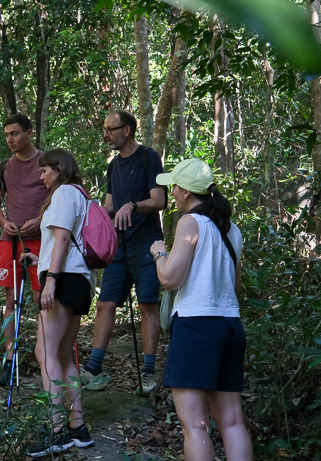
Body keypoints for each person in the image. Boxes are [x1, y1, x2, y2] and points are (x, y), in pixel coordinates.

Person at [149, 159, 252, 461]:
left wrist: (159, 254)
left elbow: (170, 278)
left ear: (183, 191)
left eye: (173, 188)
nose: (172, 193)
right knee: (232, 421)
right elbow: (233, 284)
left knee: (195, 424)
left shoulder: (190, 223)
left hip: (197, 326)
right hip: (230, 326)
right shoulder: (231, 230)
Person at [81, 110, 166, 395]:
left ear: (126, 130)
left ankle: (149, 372)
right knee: (105, 303)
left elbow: (159, 201)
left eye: (110, 129)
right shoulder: (113, 166)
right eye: (104, 129)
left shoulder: (149, 158)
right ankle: (93, 368)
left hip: (146, 243)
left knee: (146, 305)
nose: (105, 134)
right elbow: (108, 206)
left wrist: (132, 204)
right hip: (118, 245)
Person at [22, 149, 95, 458]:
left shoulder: (64, 192)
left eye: (45, 170)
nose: (42, 176)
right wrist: (42, 261)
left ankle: (56, 431)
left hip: (64, 280)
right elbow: (67, 243)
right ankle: (78, 427)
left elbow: (63, 238)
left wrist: (50, 278)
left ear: (59, 168)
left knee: (46, 352)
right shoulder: (80, 194)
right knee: (64, 356)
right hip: (76, 278)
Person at [0, 113, 47, 386]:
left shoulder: (47, 163)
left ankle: (46, 356)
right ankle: (9, 360)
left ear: (29, 133)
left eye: (15, 133)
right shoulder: (3, 166)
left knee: (40, 299)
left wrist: (40, 220)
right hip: (10, 241)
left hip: (40, 240)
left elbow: (59, 198)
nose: (10, 139)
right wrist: (4, 222)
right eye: (7, 134)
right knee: (10, 300)